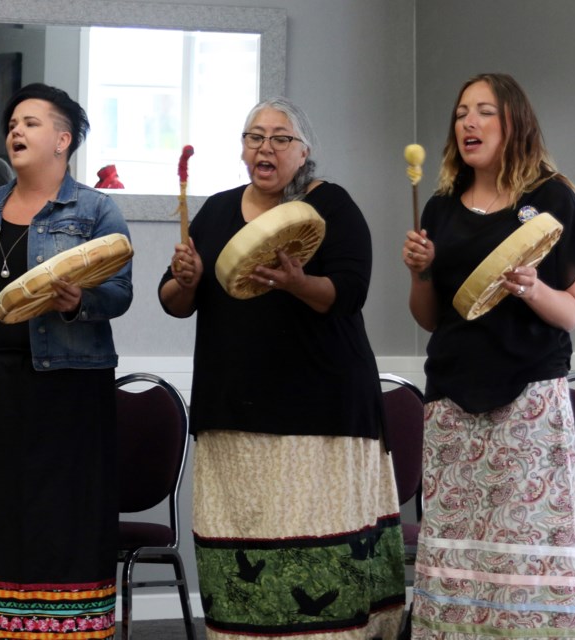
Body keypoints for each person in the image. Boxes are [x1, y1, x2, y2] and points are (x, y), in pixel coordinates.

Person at [159, 97, 405, 639]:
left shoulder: (330, 206)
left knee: (321, 558)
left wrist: (296, 282)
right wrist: (188, 277)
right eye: (254, 136)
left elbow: (347, 293)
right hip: (233, 413)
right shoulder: (217, 211)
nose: (265, 147)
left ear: (304, 152)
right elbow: (174, 301)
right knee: (246, 562)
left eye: (280, 137)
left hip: (320, 413)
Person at [0, 83, 131, 638]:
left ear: (63, 140)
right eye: (14, 122)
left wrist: (79, 301)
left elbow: (120, 292)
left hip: (69, 392)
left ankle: (70, 631)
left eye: (31, 123)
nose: (16, 130)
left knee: (62, 522)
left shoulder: (94, 209)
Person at [402, 73, 575, 639]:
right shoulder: (437, 208)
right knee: (459, 552)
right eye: (462, 112)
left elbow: (571, 314)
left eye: (484, 111)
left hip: (529, 401)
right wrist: (419, 273)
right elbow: (430, 318)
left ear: (514, 123)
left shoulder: (553, 198)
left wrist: (531, 287)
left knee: (527, 544)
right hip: (452, 403)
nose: (468, 123)